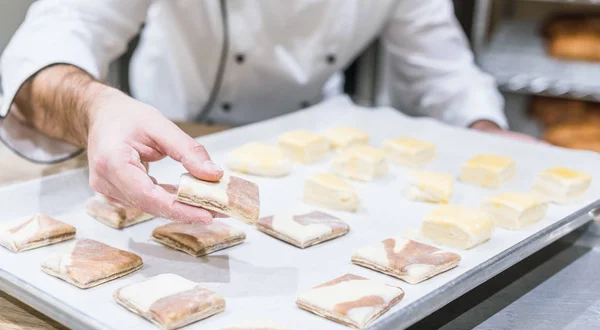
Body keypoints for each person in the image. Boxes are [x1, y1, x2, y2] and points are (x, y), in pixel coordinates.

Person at [0, 1, 511, 224]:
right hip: (173, 139)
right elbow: (53, 40)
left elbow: (442, 70)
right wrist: (96, 106)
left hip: (318, 145)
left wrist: (485, 129)